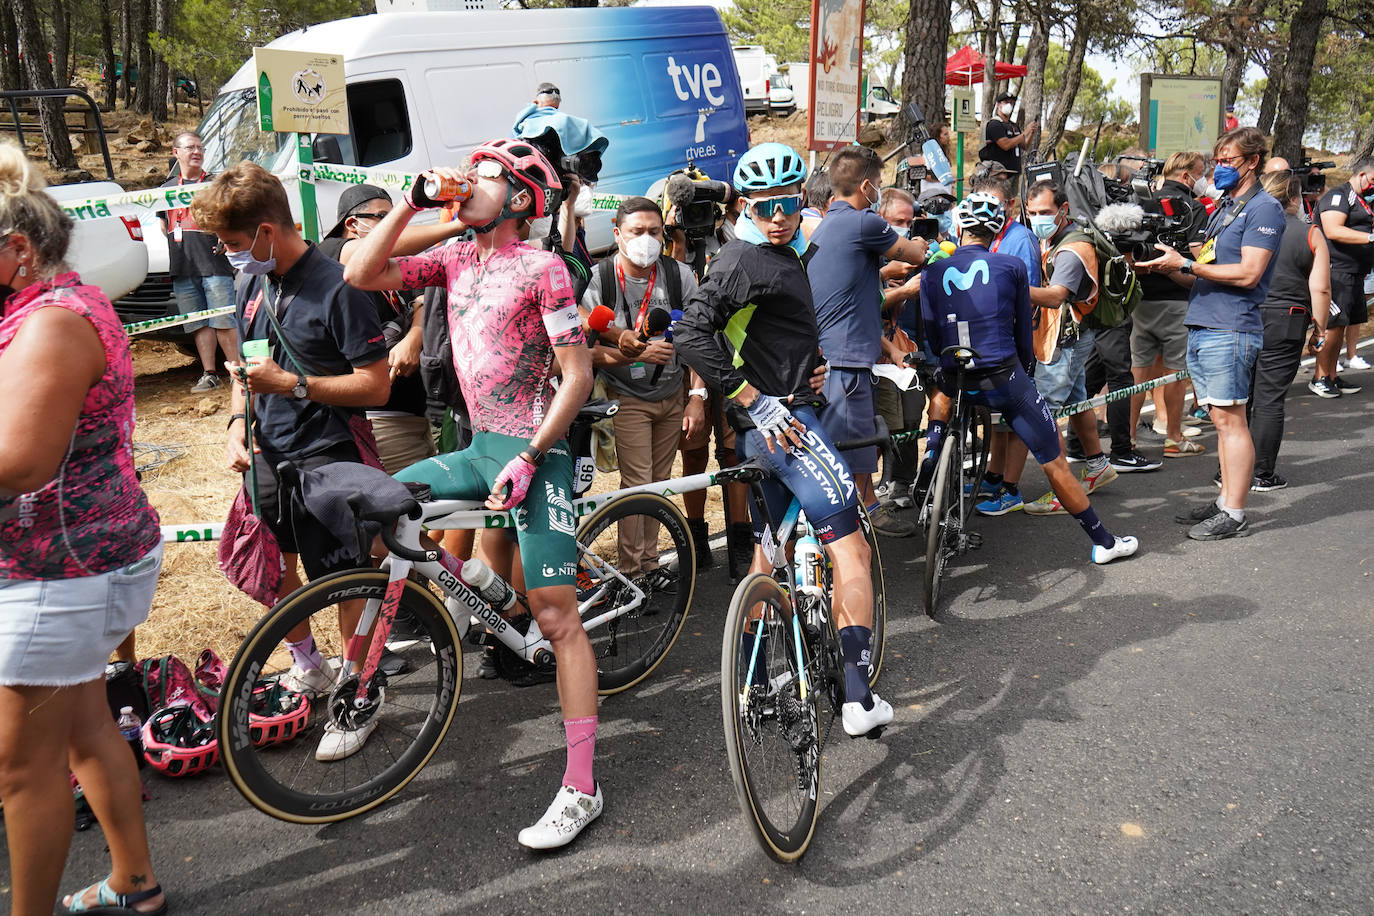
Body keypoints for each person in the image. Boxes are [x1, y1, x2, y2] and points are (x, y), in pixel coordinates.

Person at [343, 138, 604, 850]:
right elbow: (361, 269)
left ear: (520, 199)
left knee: (557, 620)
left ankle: (582, 785)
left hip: (534, 452)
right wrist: (415, 202)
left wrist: (532, 453)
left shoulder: (543, 266)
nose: (471, 181)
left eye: (487, 177)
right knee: (377, 508)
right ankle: (484, 588)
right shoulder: (455, 256)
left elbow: (575, 377)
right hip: (477, 444)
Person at [675, 141, 895, 738]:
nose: (778, 216)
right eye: (765, 205)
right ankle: (857, 696)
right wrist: (755, 398)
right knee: (850, 547)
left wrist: (807, 365)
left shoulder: (789, 250)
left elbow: (764, 333)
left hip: (775, 424)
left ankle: (750, 675)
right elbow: (690, 334)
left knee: (769, 551)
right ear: (746, 204)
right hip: (786, 430)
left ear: (803, 199)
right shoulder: (744, 258)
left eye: (787, 203)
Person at [0, 141, 167, 916]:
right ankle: (134, 882)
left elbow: (21, 463)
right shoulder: (47, 305)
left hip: (58, 575)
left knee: (22, 771)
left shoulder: (53, 324)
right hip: (80, 564)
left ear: (19, 250)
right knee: (85, 729)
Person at [191, 163, 393, 756]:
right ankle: (310, 665)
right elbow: (246, 368)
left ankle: (360, 692)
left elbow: (376, 386)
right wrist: (235, 421)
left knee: (342, 579)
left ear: (266, 233)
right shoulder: (254, 280)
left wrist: (294, 386)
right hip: (269, 452)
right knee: (265, 560)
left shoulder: (340, 286)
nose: (229, 256)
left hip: (329, 455)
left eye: (232, 244)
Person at [919, 192, 1138, 564]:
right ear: (997, 231)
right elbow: (1024, 330)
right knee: (1053, 460)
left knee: (943, 384)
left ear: (957, 228)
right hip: (1004, 376)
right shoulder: (1011, 266)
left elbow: (932, 333)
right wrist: (1025, 371)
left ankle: (931, 457)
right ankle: (1103, 541)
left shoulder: (933, 270)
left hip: (955, 373)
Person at [1137, 126, 1287, 540]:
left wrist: (1185, 266)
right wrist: (1169, 265)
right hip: (1204, 322)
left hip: (1231, 327)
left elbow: (1248, 272)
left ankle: (1235, 512)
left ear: (1252, 161)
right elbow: (1203, 274)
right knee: (1221, 419)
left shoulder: (1264, 209)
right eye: (1217, 160)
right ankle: (1224, 501)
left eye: (1227, 162)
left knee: (1232, 420)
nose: (1219, 168)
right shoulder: (1225, 207)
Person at [806, 144, 929, 537]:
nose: (877, 191)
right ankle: (848, 529)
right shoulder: (865, 223)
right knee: (849, 446)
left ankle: (869, 507)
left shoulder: (828, 223)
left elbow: (851, 287)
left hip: (839, 353)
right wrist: (923, 246)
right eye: (877, 184)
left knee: (857, 444)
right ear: (866, 186)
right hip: (845, 362)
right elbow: (915, 253)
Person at [580, 197, 698, 584]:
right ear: (617, 234)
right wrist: (627, 350)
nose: (646, 240)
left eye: (654, 232)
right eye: (636, 232)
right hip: (626, 397)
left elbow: (698, 339)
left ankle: (649, 563)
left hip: (671, 393)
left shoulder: (681, 276)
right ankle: (630, 571)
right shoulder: (601, 279)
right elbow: (585, 348)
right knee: (638, 483)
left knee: (660, 482)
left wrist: (697, 397)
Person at [1003, 180, 1118, 516]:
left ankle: (1061, 492)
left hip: (1066, 341)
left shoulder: (1071, 249)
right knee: (1077, 400)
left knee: (1044, 414)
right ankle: (1097, 466)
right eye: (1034, 212)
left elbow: (1056, 295)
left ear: (1063, 210)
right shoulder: (1056, 237)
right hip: (1068, 337)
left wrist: (1005, 286)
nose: (1038, 218)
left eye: (1046, 212)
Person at [962, 165, 1047, 515]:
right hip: (981, 343)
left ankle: (1011, 488)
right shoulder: (981, 238)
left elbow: (1024, 296)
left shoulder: (1019, 240)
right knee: (995, 418)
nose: (987, 215)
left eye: (995, 207)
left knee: (1016, 418)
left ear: (1009, 207)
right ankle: (994, 475)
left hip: (1010, 343)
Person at [1248, 171, 1330, 490]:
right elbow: (1320, 288)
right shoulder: (1309, 232)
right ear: (1294, 198)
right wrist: (1320, 329)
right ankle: (1260, 472)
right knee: (1269, 399)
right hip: (1287, 317)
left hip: (1246, 313)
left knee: (1240, 396)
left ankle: (1229, 468)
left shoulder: (1247, 224)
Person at [1130, 151, 1209, 459]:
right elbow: (1199, 256)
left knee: (1138, 371)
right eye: (1201, 173)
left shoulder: (1141, 202)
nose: (1203, 179)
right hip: (1178, 300)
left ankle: (1130, 439)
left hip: (1140, 299)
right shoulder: (1193, 207)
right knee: (1177, 372)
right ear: (1187, 175)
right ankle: (1173, 438)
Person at [159, 130, 238, 392]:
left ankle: (239, 372)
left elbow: (234, 216)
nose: (196, 152)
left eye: (200, 148)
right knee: (198, 323)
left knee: (224, 319)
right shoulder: (166, 189)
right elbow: (163, 225)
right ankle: (209, 373)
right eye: (190, 147)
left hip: (215, 263)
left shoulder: (216, 182)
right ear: (176, 153)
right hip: (183, 266)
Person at [1310, 157, 1374, 397]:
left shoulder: (1363, 201)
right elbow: (1333, 229)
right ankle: (1320, 376)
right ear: (1361, 175)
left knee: (1344, 324)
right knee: (1333, 325)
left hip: (1355, 272)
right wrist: (1370, 238)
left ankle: (1332, 376)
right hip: (1336, 271)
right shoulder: (1338, 195)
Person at [979, 92, 1038, 176]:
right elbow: (1005, 145)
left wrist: (1031, 133)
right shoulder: (994, 124)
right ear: (999, 105)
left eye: (1011, 102)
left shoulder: (1013, 126)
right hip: (999, 172)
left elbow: (1024, 146)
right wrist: (1025, 133)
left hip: (1015, 172)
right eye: (1006, 102)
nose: (1009, 105)